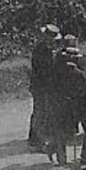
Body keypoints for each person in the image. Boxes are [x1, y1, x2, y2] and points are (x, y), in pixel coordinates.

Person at [27, 24, 59, 152]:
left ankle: (39, 139)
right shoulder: (41, 50)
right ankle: (36, 141)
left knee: (44, 112)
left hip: (44, 85)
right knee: (40, 112)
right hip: (41, 86)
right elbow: (44, 70)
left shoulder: (47, 49)